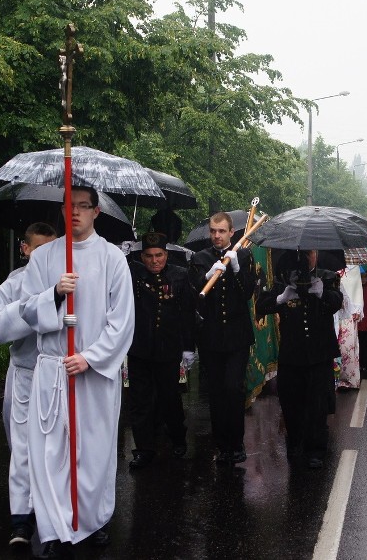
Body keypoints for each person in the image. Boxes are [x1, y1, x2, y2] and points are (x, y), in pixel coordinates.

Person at [20, 186, 135, 558]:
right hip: (53, 370)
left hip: (92, 373)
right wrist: (54, 292)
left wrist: (90, 357)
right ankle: (54, 527)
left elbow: (122, 322)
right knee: (51, 451)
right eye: (69, 206)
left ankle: (93, 520)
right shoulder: (46, 257)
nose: (75, 213)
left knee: (94, 451)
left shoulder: (112, 259)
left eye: (83, 207)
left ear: (96, 212)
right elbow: (26, 310)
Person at [0, 222, 58, 549]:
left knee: (62, 446)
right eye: (39, 249)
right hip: (27, 374)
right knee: (23, 445)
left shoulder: (68, 282)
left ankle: (62, 513)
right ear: (25, 249)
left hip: (61, 376)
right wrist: (33, 309)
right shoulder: (14, 285)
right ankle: (21, 518)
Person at [257, 250, 343, 468]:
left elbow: (337, 302)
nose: (307, 257)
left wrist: (322, 293)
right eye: (303, 253)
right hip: (292, 353)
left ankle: (316, 449)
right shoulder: (284, 277)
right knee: (291, 403)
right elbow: (262, 305)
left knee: (317, 405)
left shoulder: (327, 276)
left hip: (319, 353)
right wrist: (281, 298)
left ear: (316, 253)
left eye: (310, 253)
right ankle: (294, 443)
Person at [187, 211, 257, 465]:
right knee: (216, 391)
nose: (216, 236)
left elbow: (248, 293)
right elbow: (193, 292)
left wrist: (236, 269)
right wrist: (206, 277)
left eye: (221, 231)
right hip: (212, 336)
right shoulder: (201, 258)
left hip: (237, 336)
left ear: (231, 233)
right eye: (213, 231)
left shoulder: (244, 255)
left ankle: (237, 443)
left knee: (233, 388)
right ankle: (222, 446)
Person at [126, 232, 195, 470]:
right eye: (149, 256)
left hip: (168, 348)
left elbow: (187, 313)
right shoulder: (133, 273)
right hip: (140, 347)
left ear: (166, 254)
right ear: (141, 256)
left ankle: (177, 437)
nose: (154, 261)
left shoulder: (179, 275)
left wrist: (188, 347)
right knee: (140, 401)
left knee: (169, 398)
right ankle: (144, 449)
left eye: (159, 255)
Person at [336, 265, 363, 389]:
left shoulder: (354, 269)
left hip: (349, 312)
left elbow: (357, 289)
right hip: (333, 311)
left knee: (347, 345)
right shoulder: (328, 267)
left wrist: (357, 308)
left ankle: (348, 379)